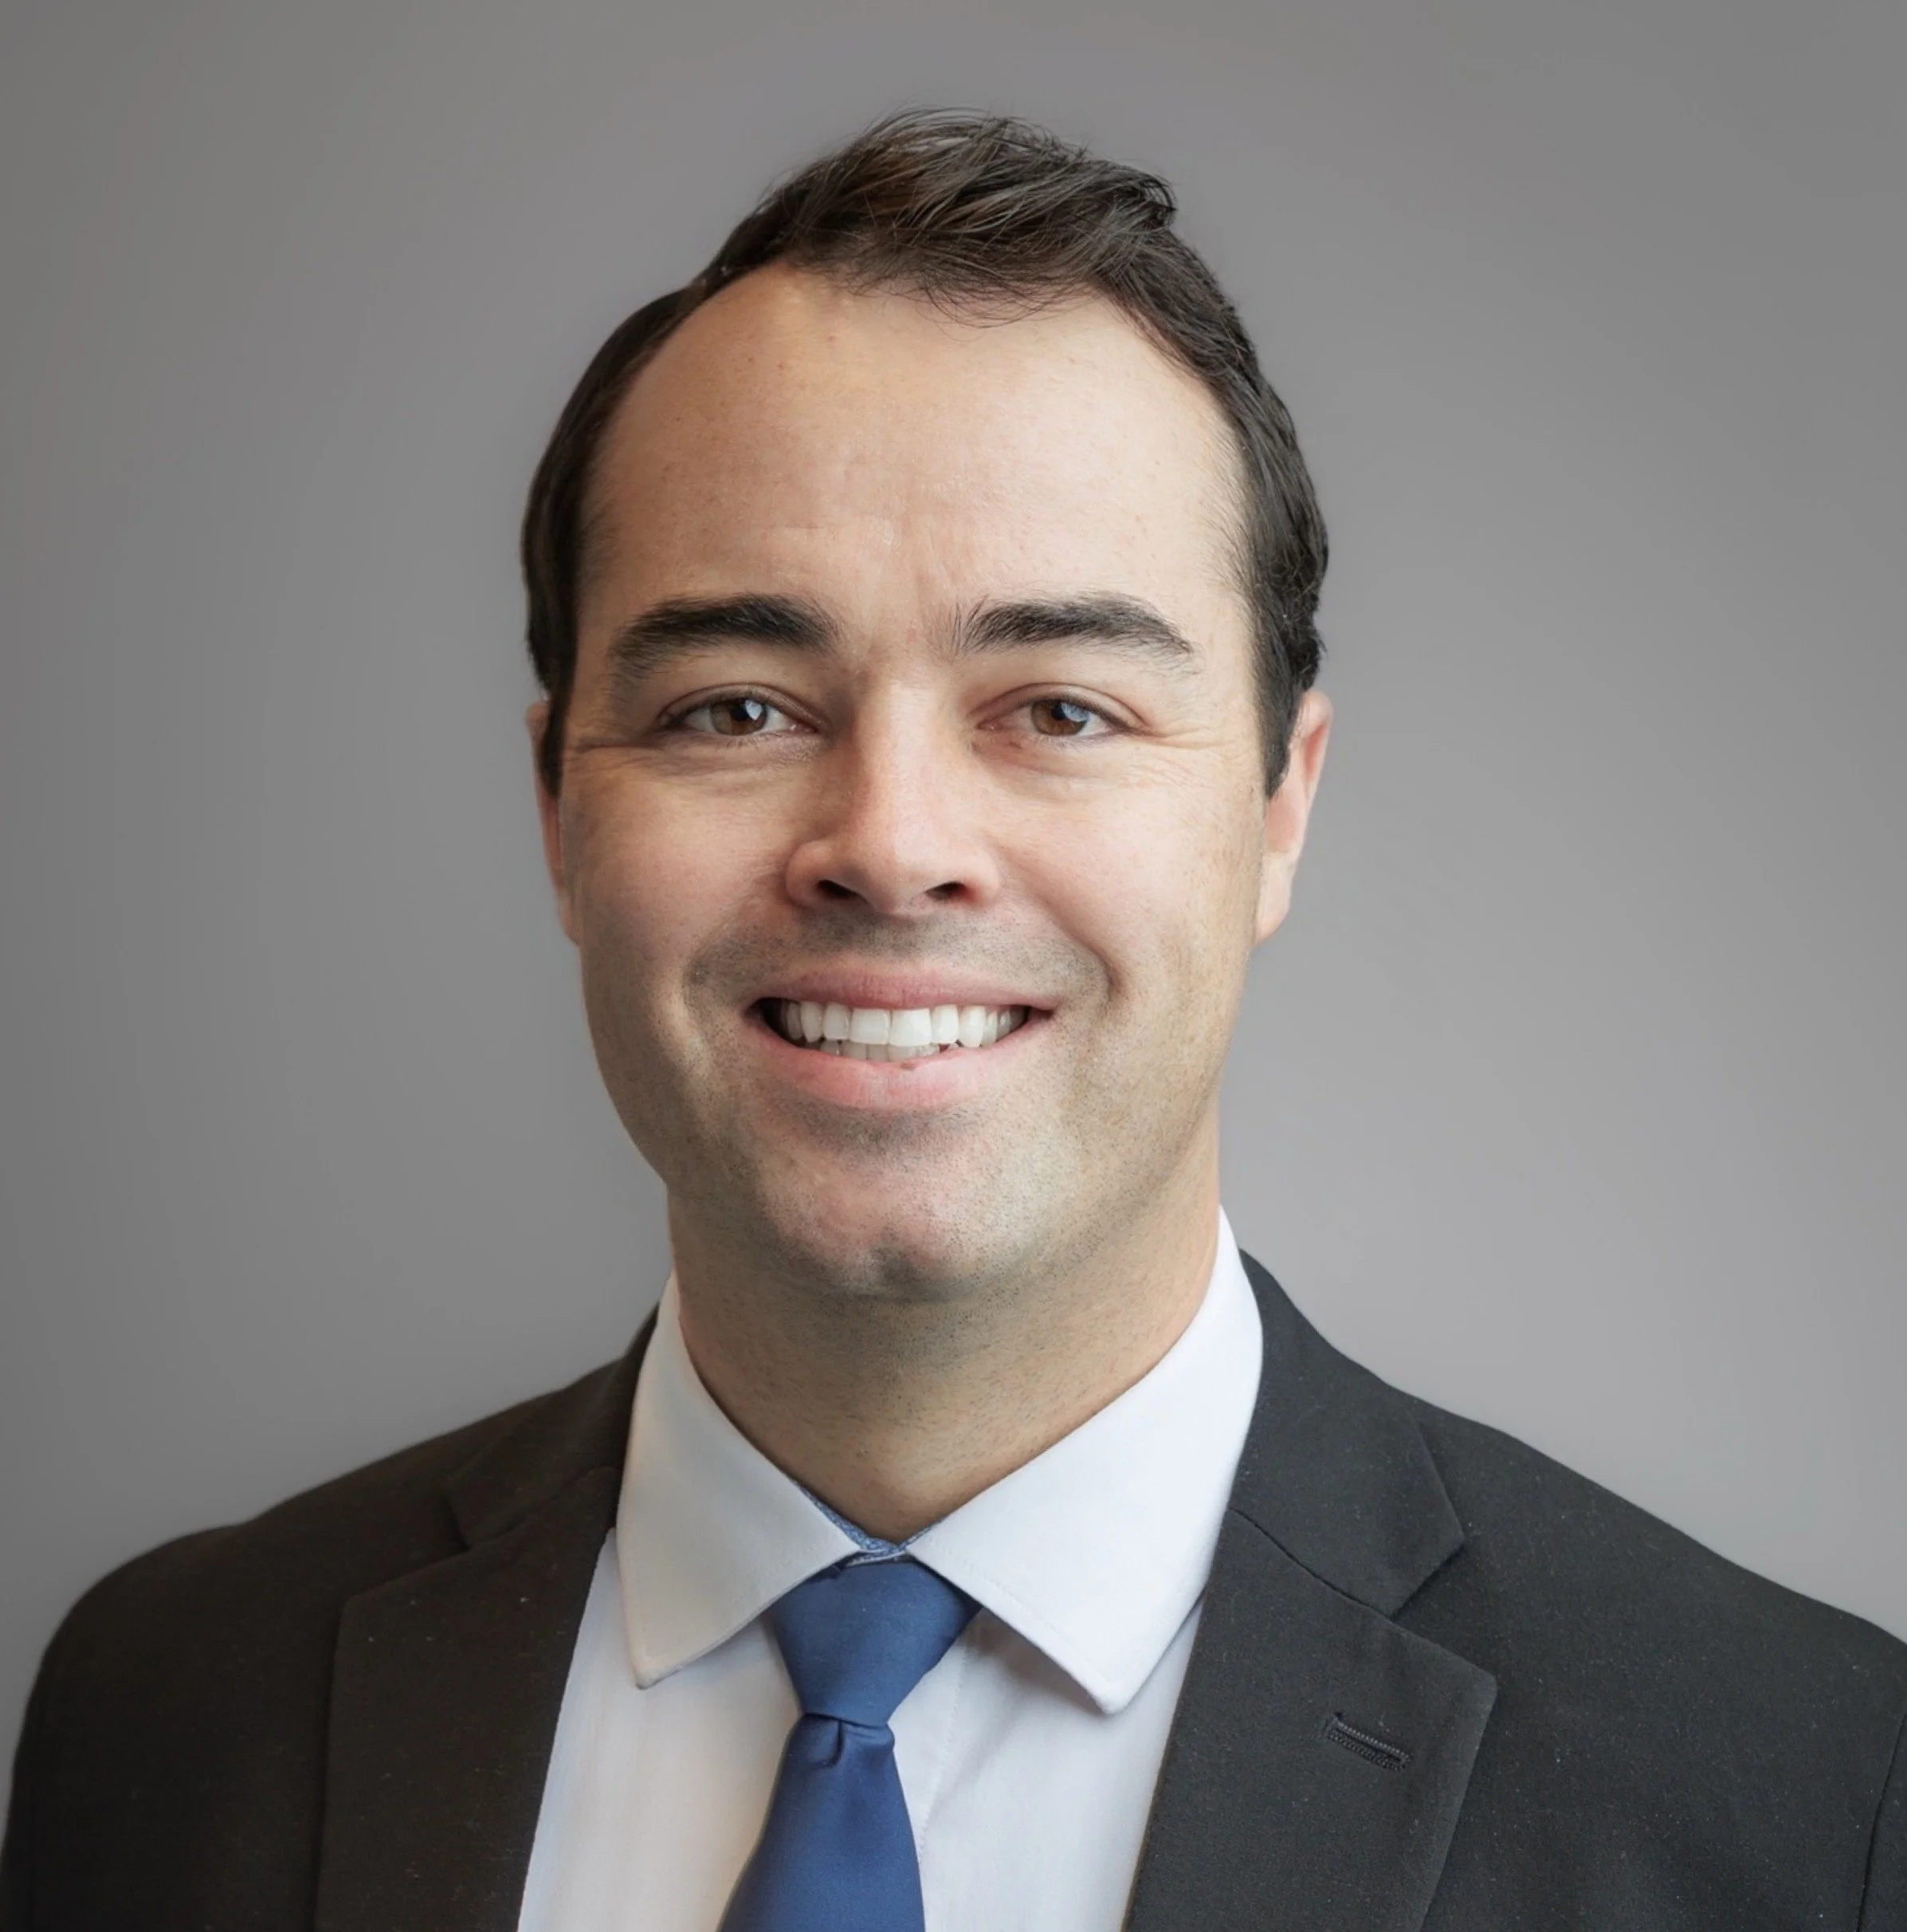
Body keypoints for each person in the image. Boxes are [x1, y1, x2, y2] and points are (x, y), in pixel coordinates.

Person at [3, 107, 1903, 1932]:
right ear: (560, 815)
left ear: (1275, 808)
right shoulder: (163, 1714)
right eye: (735, 708)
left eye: (1060, 707)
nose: (891, 846)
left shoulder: (1801, 1806)